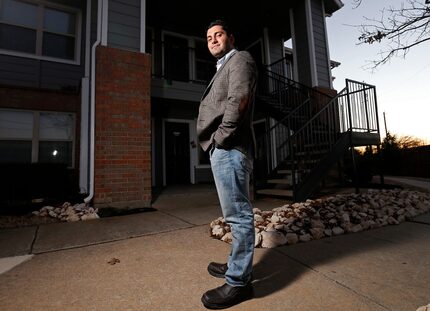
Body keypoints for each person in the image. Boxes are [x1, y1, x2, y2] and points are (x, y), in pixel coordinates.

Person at [197, 19, 258, 309]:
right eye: (209, 37)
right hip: (224, 148)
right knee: (233, 213)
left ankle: (238, 283)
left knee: (239, 216)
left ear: (230, 38)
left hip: (230, 147)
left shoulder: (240, 59)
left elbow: (239, 98)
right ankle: (238, 264)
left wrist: (220, 138)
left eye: (218, 34)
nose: (212, 40)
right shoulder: (223, 65)